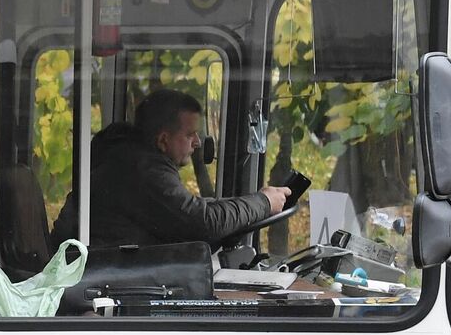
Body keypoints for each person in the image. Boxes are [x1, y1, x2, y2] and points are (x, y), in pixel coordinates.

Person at [50, 88, 291, 248]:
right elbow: (202, 222)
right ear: (163, 140)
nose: (197, 143)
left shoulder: (128, 157)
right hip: (104, 275)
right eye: (190, 135)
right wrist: (263, 203)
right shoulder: (142, 170)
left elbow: (193, 210)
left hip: (108, 269)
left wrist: (251, 205)